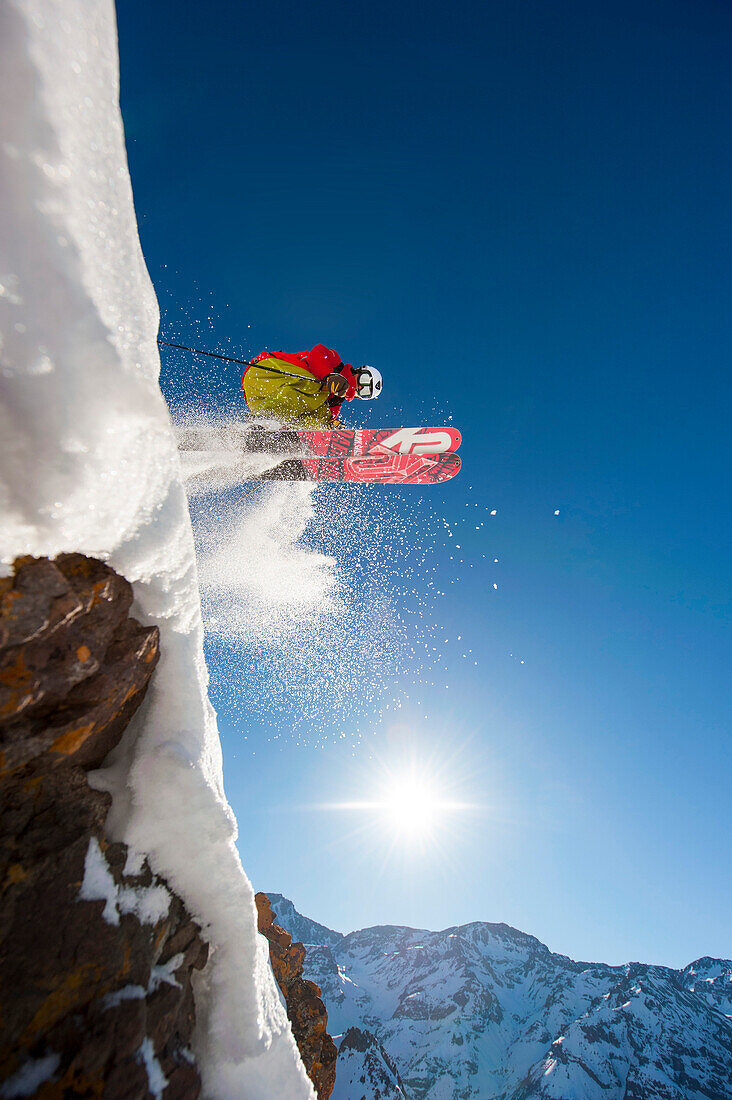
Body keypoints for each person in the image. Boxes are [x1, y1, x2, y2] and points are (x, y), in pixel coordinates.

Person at [242, 344, 382, 428]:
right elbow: (317, 353)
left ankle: (279, 434)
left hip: (261, 400)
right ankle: (266, 418)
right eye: (364, 380)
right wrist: (329, 376)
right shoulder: (334, 363)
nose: (359, 387)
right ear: (358, 371)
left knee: (322, 416)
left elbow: (318, 419)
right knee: (319, 387)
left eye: (364, 392)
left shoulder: (334, 404)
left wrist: (328, 427)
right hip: (265, 372)